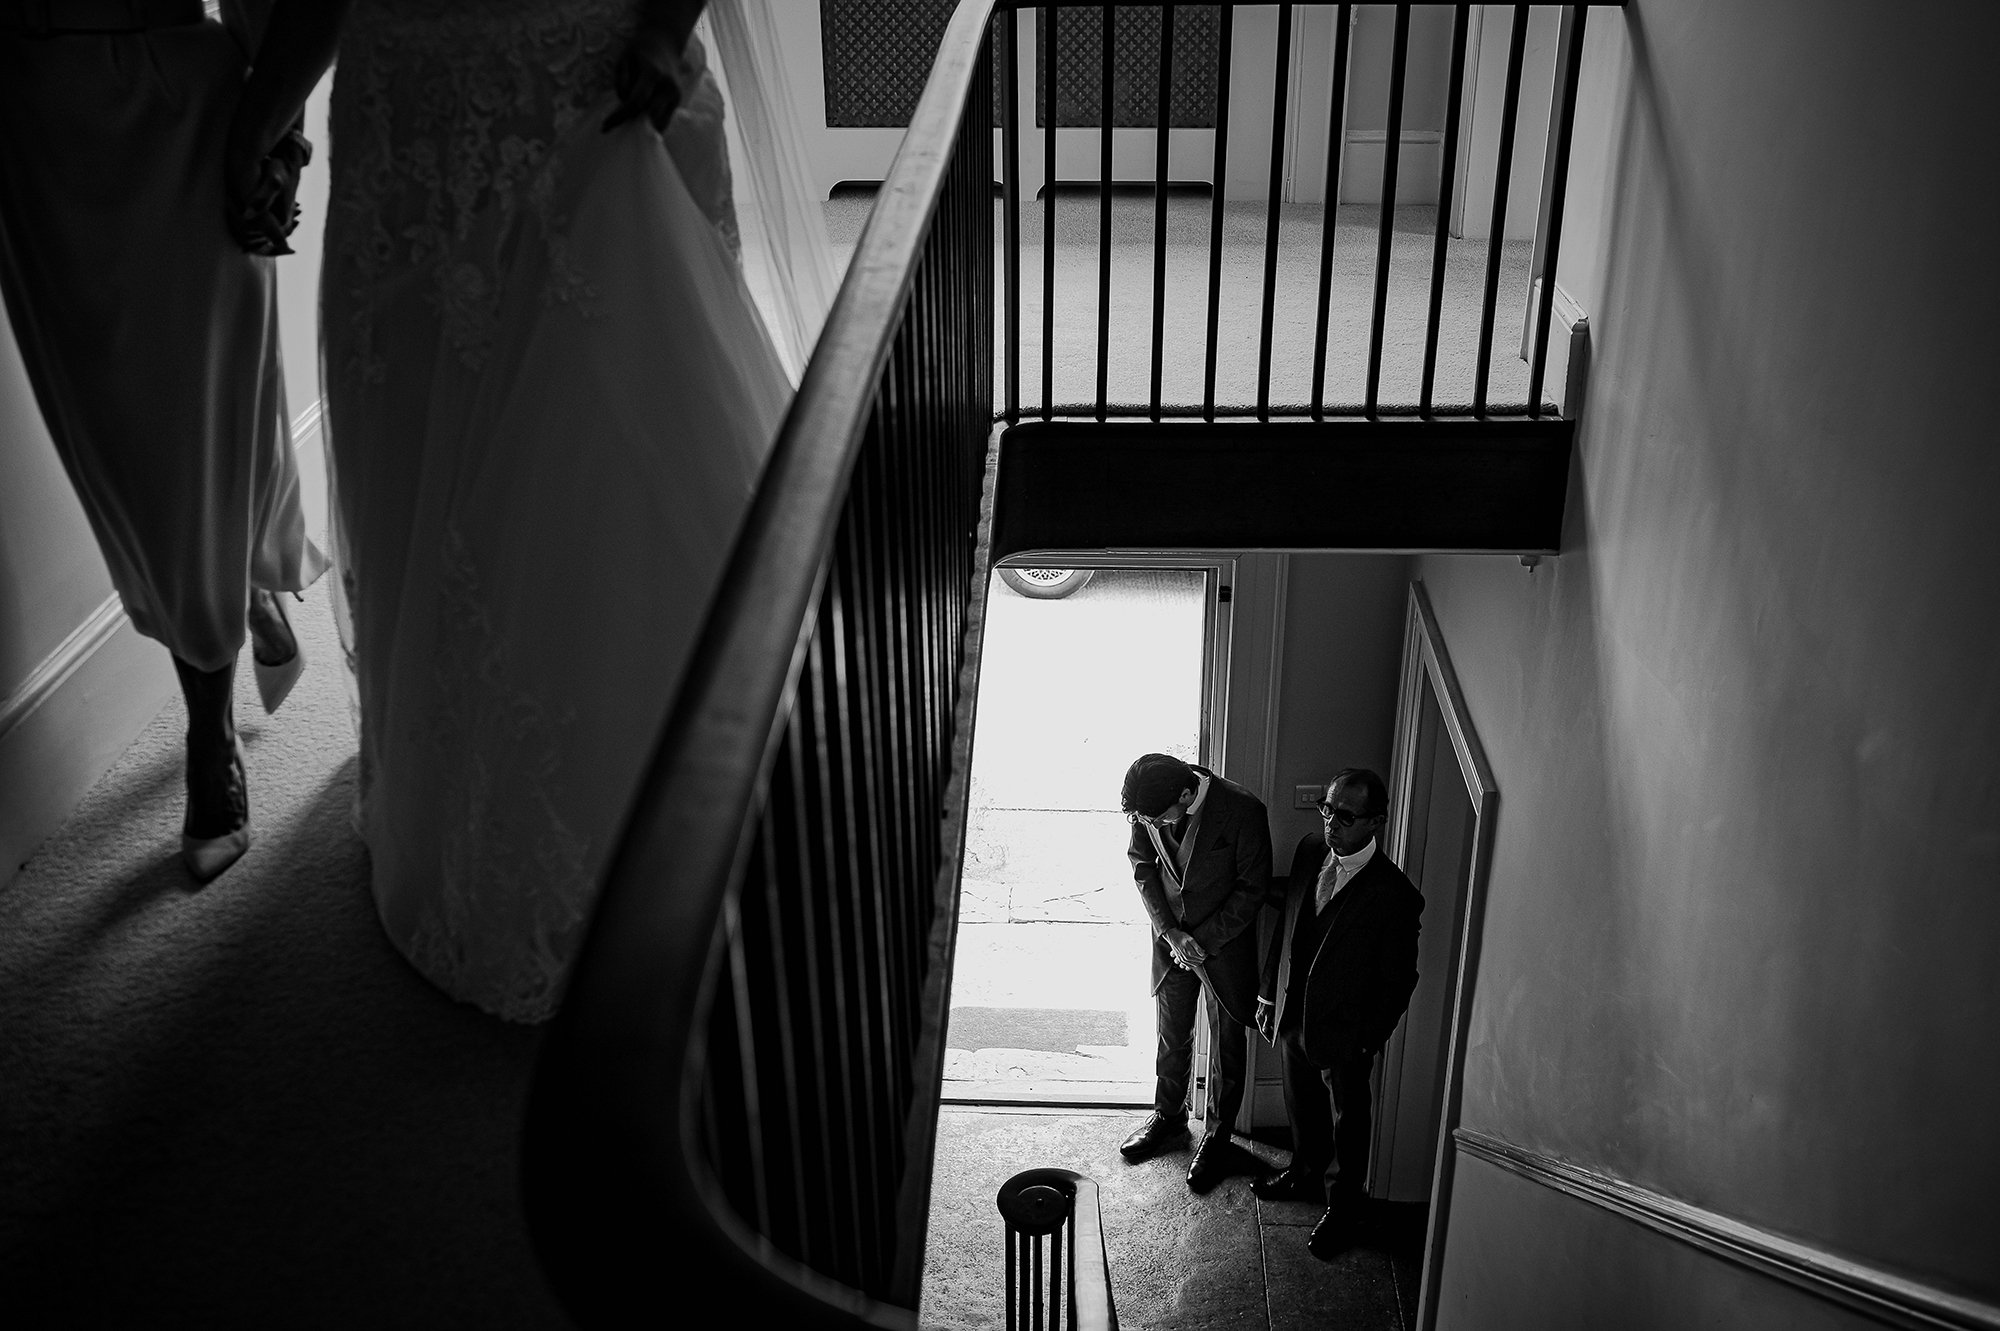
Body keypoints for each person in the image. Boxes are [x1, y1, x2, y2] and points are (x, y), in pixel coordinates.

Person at [226, 0, 825, 1021]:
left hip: (589, 84)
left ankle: (664, 809)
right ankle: (461, 793)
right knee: (420, 439)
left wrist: (654, 30)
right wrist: (253, 126)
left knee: (614, 440)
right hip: (412, 118)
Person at [0, 0, 328, 884]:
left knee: (208, 411)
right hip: (33, 121)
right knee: (118, 443)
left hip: (177, 98)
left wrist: (278, 131)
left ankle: (210, 731)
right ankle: (243, 587)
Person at [1253, 768, 1423, 1260]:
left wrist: (1366, 1040)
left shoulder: (1395, 896)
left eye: (1344, 815)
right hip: (1294, 1019)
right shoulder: (1310, 851)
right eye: (1326, 809)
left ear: (1376, 822)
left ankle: (1343, 1207)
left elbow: (1399, 982)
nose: (1330, 822)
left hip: (1347, 1036)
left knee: (1349, 1122)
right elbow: (1286, 928)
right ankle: (1303, 1172)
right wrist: (1269, 996)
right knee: (1300, 1104)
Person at [1117, 752, 1273, 1193]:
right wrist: (1169, 932)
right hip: (1170, 944)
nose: (1156, 824)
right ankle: (1168, 1118)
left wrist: (1200, 942)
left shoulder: (1244, 810)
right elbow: (1143, 868)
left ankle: (1219, 1138)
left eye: (1160, 817)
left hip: (1223, 949)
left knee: (1227, 1044)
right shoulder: (1148, 800)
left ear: (1186, 794)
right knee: (1172, 1032)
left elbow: (1252, 887)